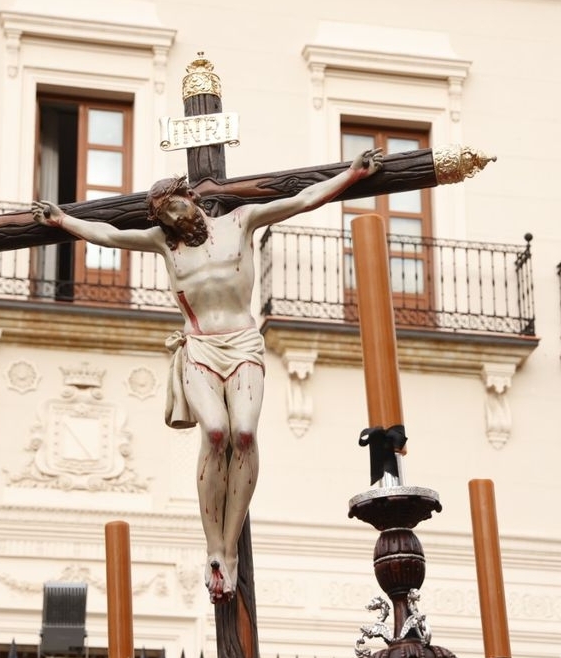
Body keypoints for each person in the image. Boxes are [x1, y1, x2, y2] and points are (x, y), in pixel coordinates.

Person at [31, 148, 382, 603]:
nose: (173, 218)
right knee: (215, 433)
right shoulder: (164, 243)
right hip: (199, 346)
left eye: (175, 205)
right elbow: (108, 236)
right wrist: (63, 221)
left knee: (245, 434)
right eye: (162, 215)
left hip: (242, 343)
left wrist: (351, 175)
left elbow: (304, 199)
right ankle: (214, 546)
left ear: (190, 196)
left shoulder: (242, 221)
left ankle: (229, 543)